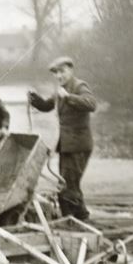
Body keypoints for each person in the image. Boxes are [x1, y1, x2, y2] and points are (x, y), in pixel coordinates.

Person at [28, 56, 97, 220]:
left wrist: (68, 97)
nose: (59, 76)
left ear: (71, 70)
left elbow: (91, 104)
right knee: (67, 184)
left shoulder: (79, 86)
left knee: (68, 186)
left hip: (79, 145)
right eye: (56, 73)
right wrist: (36, 101)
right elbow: (47, 106)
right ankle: (78, 217)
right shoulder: (61, 89)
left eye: (62, 71)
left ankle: (74, 219)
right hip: (67, 145)